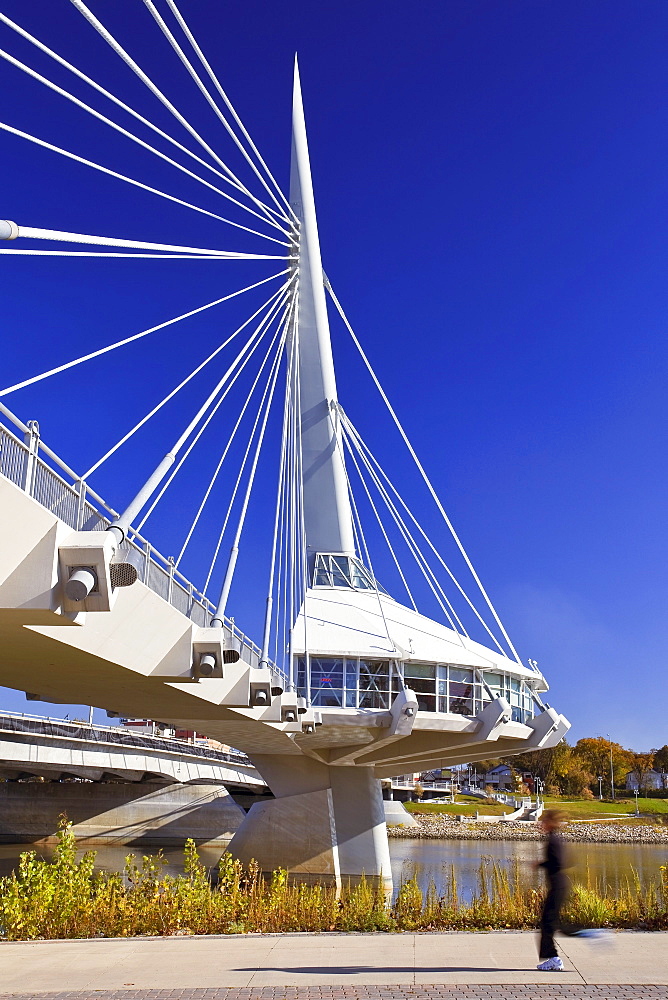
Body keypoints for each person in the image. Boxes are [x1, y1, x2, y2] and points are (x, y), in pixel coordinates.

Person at [534, 808, 568, 971]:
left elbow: (558, 862)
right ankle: (554, 958)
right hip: (557, 885)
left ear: (550, 823)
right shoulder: (553, 839)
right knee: (550, 923)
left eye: (544, 821)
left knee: (548, 923)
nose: (541, 824)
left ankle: (555, 959)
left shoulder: (554, 840)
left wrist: (540, 864)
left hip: (558, 886)